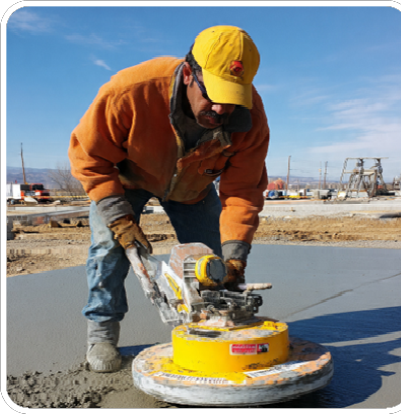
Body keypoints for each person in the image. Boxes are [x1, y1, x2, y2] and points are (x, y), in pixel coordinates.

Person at [68, 25, 270, 372]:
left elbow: (243, 192)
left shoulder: (249, 119)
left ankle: (215, 326)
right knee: (108, 248)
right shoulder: (131, 92)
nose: (221, 109)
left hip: (192, 187)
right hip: (126, 179)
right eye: (213, 95)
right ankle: (102, 333)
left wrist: (235, 258)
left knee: (213, 263)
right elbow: (90, 157)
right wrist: (119, 220)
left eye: (232, 99)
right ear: (189, 74)